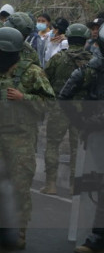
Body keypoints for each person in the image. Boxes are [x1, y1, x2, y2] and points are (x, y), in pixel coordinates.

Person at [0, 26, 54, 249]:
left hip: (21, 140)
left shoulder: (32, 73)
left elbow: (50, 104)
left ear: (6, 50)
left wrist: (23, 97)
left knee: (19, 187)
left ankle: (19, 232)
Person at [58, 23, 104, 253]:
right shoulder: (91, 70)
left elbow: (64, 96)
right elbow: (64, 96)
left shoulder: (88, 69)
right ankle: (97, 236)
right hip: (97, 133)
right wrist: (83, 124)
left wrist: (82, 123)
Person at [42, 23, 92, 195]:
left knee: (52, 144)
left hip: (60, 107)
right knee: (77, 148)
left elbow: (44, 80)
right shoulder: (93, 60)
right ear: (86, 40)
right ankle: (73, 185)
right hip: (83, 110)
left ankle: (50, 184)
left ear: (68, 39)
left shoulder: (57, 59)